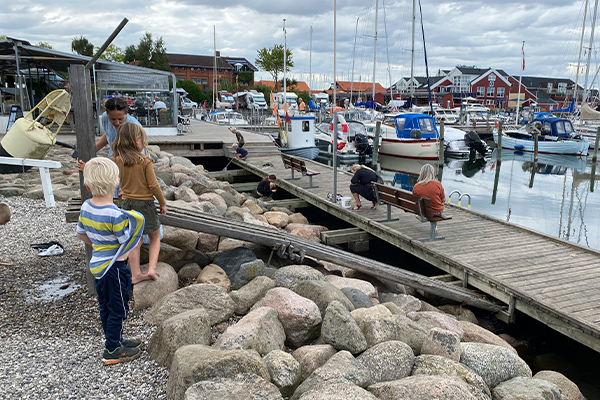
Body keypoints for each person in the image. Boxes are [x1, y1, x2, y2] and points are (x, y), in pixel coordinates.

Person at [76, 157, 144, 365]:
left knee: (106, 306)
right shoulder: (115, 214)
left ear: (87, 185)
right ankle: (112, 349)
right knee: (118, 308)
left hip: (98, 266)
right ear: (117, 183)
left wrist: (99, 244)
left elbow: (81, 234)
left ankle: (115, 339)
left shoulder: (86, 206)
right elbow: (126, 241)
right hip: (115, 268)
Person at [112, 123, 167, 284]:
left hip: (127, 204)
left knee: (135, 239)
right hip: (145, 204)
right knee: (155, 236)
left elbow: (112, 177)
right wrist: (162, 203)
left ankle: (135, 274)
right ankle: (151, 269)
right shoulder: (145, 161)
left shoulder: (116, 160)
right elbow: (153, 186)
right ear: (137, 140)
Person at [76, 97, 142, 171]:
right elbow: (109, 134)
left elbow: (130, 156)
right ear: (107, 115)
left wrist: (91, 168)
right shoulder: (105, 117)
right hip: (113, 160)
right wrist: (91, 151)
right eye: (113, 119)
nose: (117, 123)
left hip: (130, 163)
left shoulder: (133, 127)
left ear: (126, 114)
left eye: (120, 119)